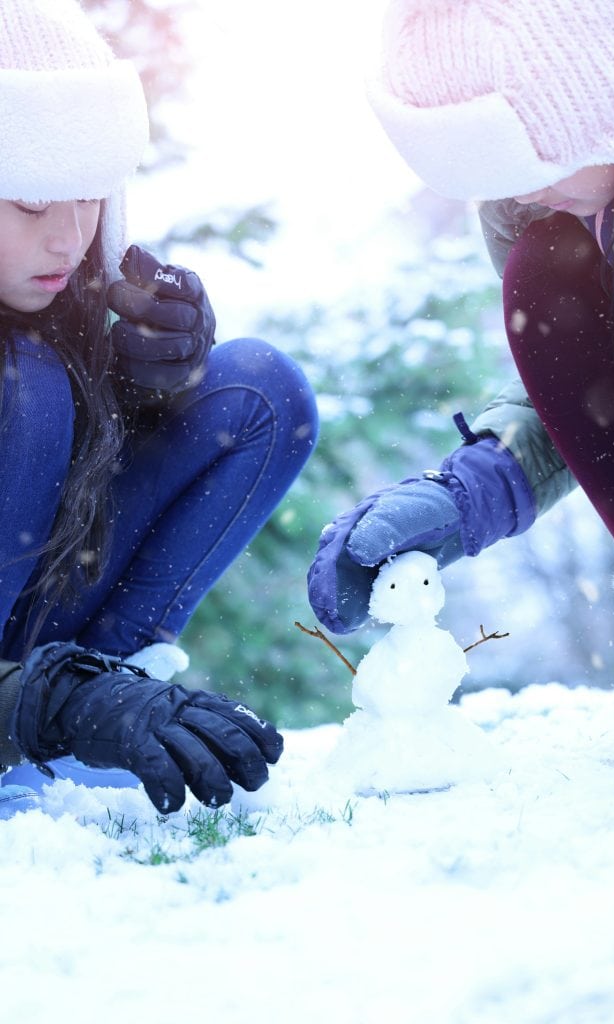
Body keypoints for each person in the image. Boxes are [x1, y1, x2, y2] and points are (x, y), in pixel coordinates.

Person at [307, 0, 614, 767]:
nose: (519, 195)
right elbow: (607, 406)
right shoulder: (556, 208)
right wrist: (474, 489)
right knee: (546, 270)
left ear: (608, 96)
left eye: (528, 159)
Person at [0, 0, 318, 819]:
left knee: (257, 390)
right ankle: (48, 717)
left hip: (38, 658)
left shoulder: (58, 295)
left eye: (90, 198)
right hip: (21, 693)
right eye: (32, 203)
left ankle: (105, 711)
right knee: (25, 385)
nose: (69, 240)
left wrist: (149, 379)